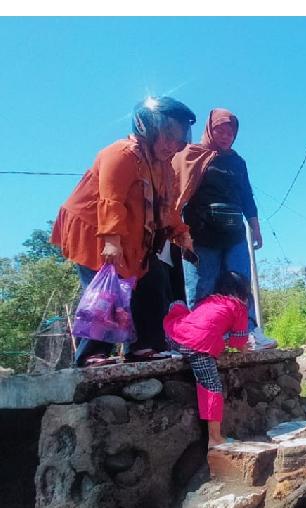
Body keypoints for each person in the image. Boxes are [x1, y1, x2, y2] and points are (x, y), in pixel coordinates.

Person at [52, 97, 196, 367]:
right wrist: (111, 241)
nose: (172, 145)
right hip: (96, 230)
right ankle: (91, 354)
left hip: (130, 235)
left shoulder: (163, 167)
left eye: (178, 139)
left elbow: (167, 207)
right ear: (147, 128)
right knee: (107, 290)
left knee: (154, 281)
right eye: (168, 136)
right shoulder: (121, 153)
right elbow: (111, 199)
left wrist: (181, 233)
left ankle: (144, 347)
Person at [172, 108, 277, 350]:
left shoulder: (237, 162)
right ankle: (199, 337)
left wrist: (256, 227)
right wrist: (178, 230)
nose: (226, 134)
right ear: (210, 129)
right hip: (200, 233)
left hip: (234, 234)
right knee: (202, 285)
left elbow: (247, 196)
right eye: (221, 129)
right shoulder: (190, 155)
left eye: (231, 130)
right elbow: (174, 193)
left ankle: (248, 333)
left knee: (239, 283)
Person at [163, 271, 250, 447]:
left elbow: (206, 325)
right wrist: (245, 347)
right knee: (212, 387)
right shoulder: (239, 307)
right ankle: (215, 438)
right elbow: (238, 342)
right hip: (197, 346)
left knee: (179, 306)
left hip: (175, 336)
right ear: (243, 293)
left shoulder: (209, 300)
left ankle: (175, 351)